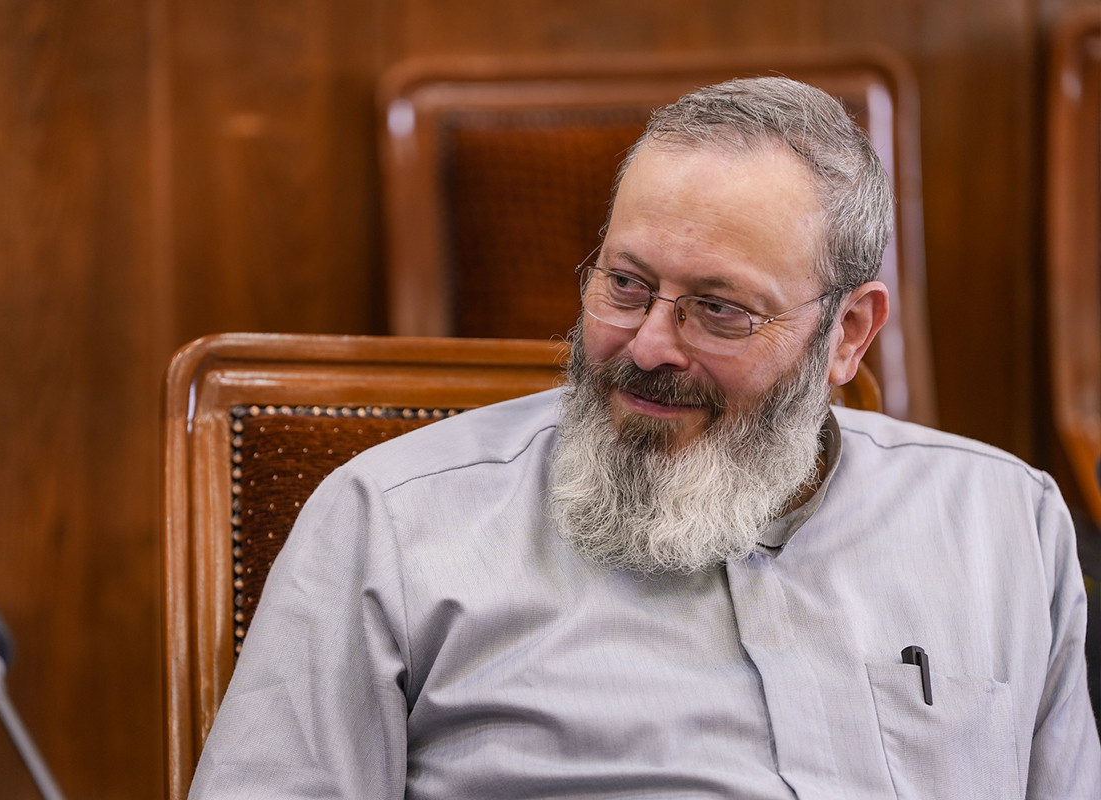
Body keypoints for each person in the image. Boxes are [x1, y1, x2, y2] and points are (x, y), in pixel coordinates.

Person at [188, 77, 1101, 799]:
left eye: (719, 308)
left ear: (848, 335)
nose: (651, 345)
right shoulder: (392, 525)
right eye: (625, 285)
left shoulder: (1006, 527)